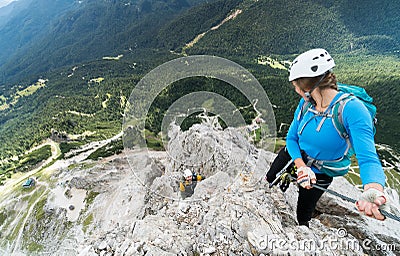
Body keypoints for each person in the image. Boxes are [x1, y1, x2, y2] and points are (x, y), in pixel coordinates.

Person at [267, 48, 388, 227]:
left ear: (307, 88)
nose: (295, 91)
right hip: (294, 156)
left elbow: (368, 157)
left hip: (321, 172)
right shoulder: (306, 104)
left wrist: (373, 188)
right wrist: (301, 167)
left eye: (295, 86)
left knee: (303, 214)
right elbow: (292, 138)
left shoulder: (352, 110)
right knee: (269, 180)